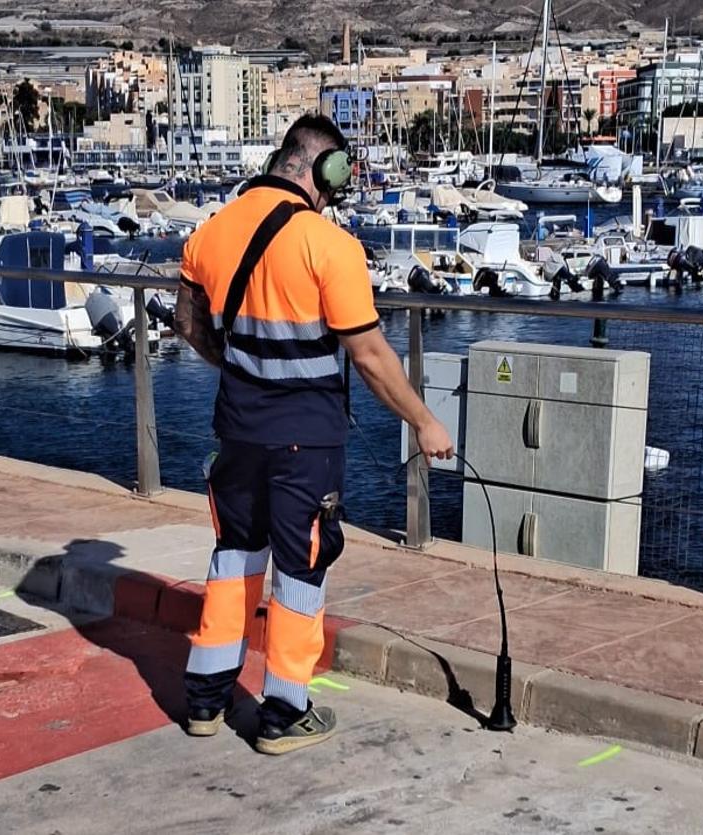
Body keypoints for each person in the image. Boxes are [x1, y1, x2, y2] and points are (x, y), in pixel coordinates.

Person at [174, 114, 454, 755]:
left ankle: (204, 702)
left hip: (237, 432)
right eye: (341, 177)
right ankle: (283, 714)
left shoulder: (210, 233)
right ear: (326, 170)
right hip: (308, 442)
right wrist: (425, 421)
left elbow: (189, 323)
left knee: (234, 559)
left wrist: (245, 369)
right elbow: (372, 357)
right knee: (301, 569)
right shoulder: (330, 246)